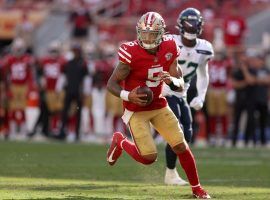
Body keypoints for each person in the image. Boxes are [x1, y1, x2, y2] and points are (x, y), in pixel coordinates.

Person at [106, 12, 211, 199]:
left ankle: (197, 189)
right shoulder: (130, 52)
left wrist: (171, 80)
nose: (147, 38)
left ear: (162, 33)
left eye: (152, 34)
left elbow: (179, 82)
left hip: (158, 104)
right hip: (135, 109)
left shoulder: (170, 47)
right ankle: (120, 140)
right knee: (148, 158)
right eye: (144, 33)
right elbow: (111, 84)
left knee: (181, 146)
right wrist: (128, 95)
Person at [162, 8, 214, 185]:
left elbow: (203, 74)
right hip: (165, 91)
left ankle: (170, 172)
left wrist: (201, 96)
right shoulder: (170, 41)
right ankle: (170, 173)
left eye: (194, 23)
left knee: (188, 134)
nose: (191, 27)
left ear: (200, 25)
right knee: (177, 130)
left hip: (181, 94)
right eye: (188, 23)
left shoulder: (204, 48)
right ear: (180, 25)